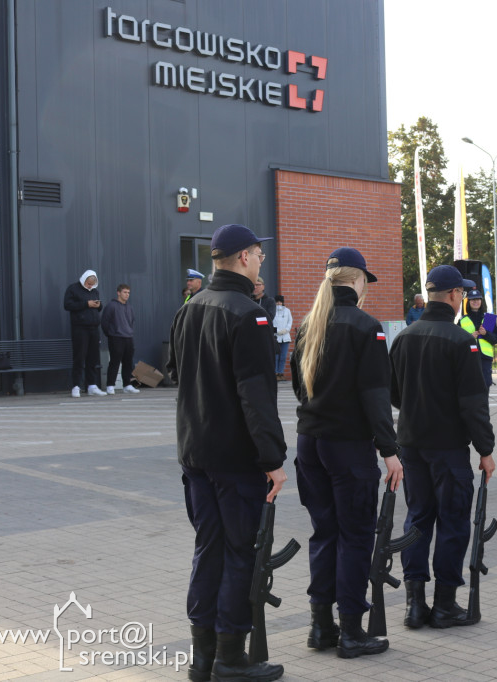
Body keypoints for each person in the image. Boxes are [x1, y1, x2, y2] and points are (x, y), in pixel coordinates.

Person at [167, 223, 287, 682]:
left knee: (208, 549)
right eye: (259, 254)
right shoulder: (248, 314)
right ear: (242, 257)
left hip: (195, 452)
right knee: (240, 552)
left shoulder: (189, 309)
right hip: (235, 458)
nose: (261, 261)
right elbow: (256, 396)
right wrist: (273, 460)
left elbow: (178, 373)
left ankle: (203, 659)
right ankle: (231, 659)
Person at [290, 247, 403, 658]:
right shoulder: (365, 326)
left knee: (325, 533)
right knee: (355, 537)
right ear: (357, 281)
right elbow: (376, 397)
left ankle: (322, 625)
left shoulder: (308, 324)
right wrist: (389, 451)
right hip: (347, 447)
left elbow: (299, 389)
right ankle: (352, 632)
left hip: (311, 443)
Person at [389, 265, 495, 630]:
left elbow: (394, 394)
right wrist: (486, 448)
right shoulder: (459, 339)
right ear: (453, 295)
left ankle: (414, 604)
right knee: (452, 521)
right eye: (461, 293)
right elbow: (473, 403)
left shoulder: (405, 336)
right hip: (448, 447)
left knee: (417, 519)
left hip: (412, 444)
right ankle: (445, 604)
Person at [64, 270, 106, 398]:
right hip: (80, 328)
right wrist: (86, 304)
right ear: (84, 280)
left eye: (92, 284)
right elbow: (67, 305)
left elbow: (99, 307)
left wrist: (99, 305)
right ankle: (76, 386)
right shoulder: (73, 289)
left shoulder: (94, 291)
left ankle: (92, 385)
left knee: (93, 358)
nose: (89, 286)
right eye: (88, 284)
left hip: (94, 328)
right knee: (79, 357)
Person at [101, 283, 139, 395]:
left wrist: (129, 332)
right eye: (124, 292)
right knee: (114, 362)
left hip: (128, 338)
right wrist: (111, 334)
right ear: (118, 292)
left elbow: (131, 322)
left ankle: (127, 385)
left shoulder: (129, 307)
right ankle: (110, 385)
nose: (127, 295)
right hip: (116, 338)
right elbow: (104, 323)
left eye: (128, 293)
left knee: (128, 362)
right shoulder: (111, 306)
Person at [459, 288, 497, 388]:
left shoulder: (489, 319)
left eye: (478, 299)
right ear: (468, 302)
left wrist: (486, 334)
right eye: (473, 299)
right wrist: (469, 338)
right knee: (470, 386)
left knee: (485, 385)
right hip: (469, 359)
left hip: (485, 359)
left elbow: (496, 338)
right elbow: (457, 341)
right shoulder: (463, 320)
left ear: (481, 301)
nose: (475, 301)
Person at [273, 295, 293, 380]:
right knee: (276, 356)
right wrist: (276, 331)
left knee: (283, 356)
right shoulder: (272, 311)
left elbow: (290, 321)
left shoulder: (287, 311)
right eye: (277, 302)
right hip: (275, 337)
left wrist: (286, 330)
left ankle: (281, 373)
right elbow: (271, 321)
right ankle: (275, 373)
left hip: (285, 337)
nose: (279, 303)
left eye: (280, 302)